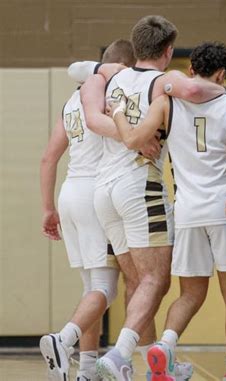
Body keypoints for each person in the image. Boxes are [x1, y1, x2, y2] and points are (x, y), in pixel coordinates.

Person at [77, 16, 226, 381]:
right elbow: (192, 91)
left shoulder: (112, 77)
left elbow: (92, 115)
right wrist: (224, 94)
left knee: (139, 283)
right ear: (168, 50)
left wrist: (123, 127)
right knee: (156, 282)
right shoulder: (164, 81)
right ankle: (119, 355)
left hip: (104, 190)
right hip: (139, 184)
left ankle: (153, 368)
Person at [108, 41, 226, 381]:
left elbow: (133, 141)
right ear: (222, 75)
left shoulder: (166, 104)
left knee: (190, 293)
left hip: (187, 212)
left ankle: (166, 345)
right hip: (225, 209)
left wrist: (116, 111)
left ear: (191, 72)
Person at [39, 39, 135, 381]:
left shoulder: (71, 100)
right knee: (107, 289)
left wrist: (48, 208)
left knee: (91, 290)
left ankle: (88, 370)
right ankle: (62, 340)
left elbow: (49, 157)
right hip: (96, 195)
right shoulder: (112, 94)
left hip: (69, 194)